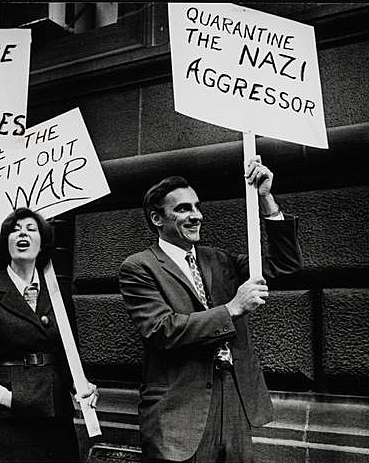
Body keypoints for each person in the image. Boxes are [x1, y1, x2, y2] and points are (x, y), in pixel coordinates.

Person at [118, 157, 302, 463]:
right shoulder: (139, 267)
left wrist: (266, 198)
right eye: (183, 209)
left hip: (235, 400)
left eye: (197, 207)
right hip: (180, 410)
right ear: (156, 218)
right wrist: (232, 309)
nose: (196, 216)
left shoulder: (218, 259)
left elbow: (285, 266)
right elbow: (163, 329)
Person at [0, 207, 98, 462]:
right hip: (3, 423)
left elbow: (67, 353)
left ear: (43, 242)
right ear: (5, 243)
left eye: (31, 229)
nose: (22, 234)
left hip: (55, 418)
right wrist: (2, 396)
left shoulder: (58, 295)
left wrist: (81, 385)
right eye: (15, 230)